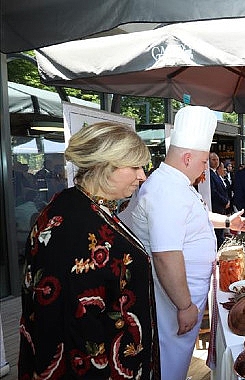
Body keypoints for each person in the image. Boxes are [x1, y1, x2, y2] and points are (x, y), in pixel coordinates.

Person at [120, 106, 245, 379]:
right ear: (188, 156)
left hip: (184, 294)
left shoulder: (175, 183)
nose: (206, 168)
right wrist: (185, 306)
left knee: (178, 357)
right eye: (204, 162)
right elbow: (165, 256)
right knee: (169, 359)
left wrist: (228, 222)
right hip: (174, 298)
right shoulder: (166, 190)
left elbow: (197, 218)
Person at [19, 122, 160, 378]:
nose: (142, 176)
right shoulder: (75, 226)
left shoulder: (83, 205)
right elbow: (75, 324)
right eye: (135, 167)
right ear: (105, 166)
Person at [209, 152, 230, 247]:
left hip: (221, 208)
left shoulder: (215, 173)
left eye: (217, 159)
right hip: (216, 207)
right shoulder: (209, 174)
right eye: (213, 159)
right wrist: (224, 201)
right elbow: (214, 192)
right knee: (218, 234)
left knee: (220, 233)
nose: (216, 162)